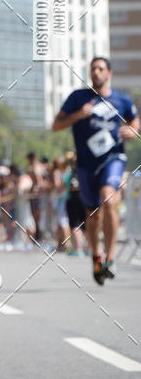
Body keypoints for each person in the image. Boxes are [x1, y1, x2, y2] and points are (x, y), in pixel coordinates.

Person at [52, 57, 139, 284]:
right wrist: (78, 115)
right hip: (85, 164)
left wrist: (132, 130)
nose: (96, 72)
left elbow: (134, 120)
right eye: (93, 69)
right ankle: (96, 257)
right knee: (93, 216)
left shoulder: (121, 99)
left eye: (101, 69)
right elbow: (56, 125)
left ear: (109, 73)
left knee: (109, 200)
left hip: (113, 158)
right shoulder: (78, 98)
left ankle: (110, 259)